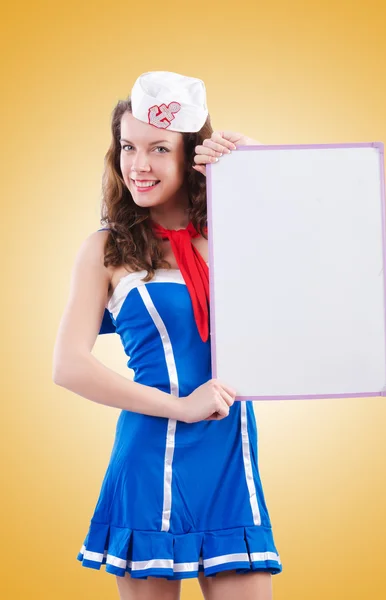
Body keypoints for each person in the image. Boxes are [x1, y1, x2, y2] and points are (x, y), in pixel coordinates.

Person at [53, 70, 282, 600]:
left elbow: (316, 262)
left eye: (159, 148)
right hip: (149, 458)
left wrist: (256, 170)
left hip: (231, 456)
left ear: (191, 157)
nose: (139, 164)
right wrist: (182, 406)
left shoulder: (238, 231)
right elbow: (68, 365)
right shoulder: (105, 249)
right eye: (128, 146)